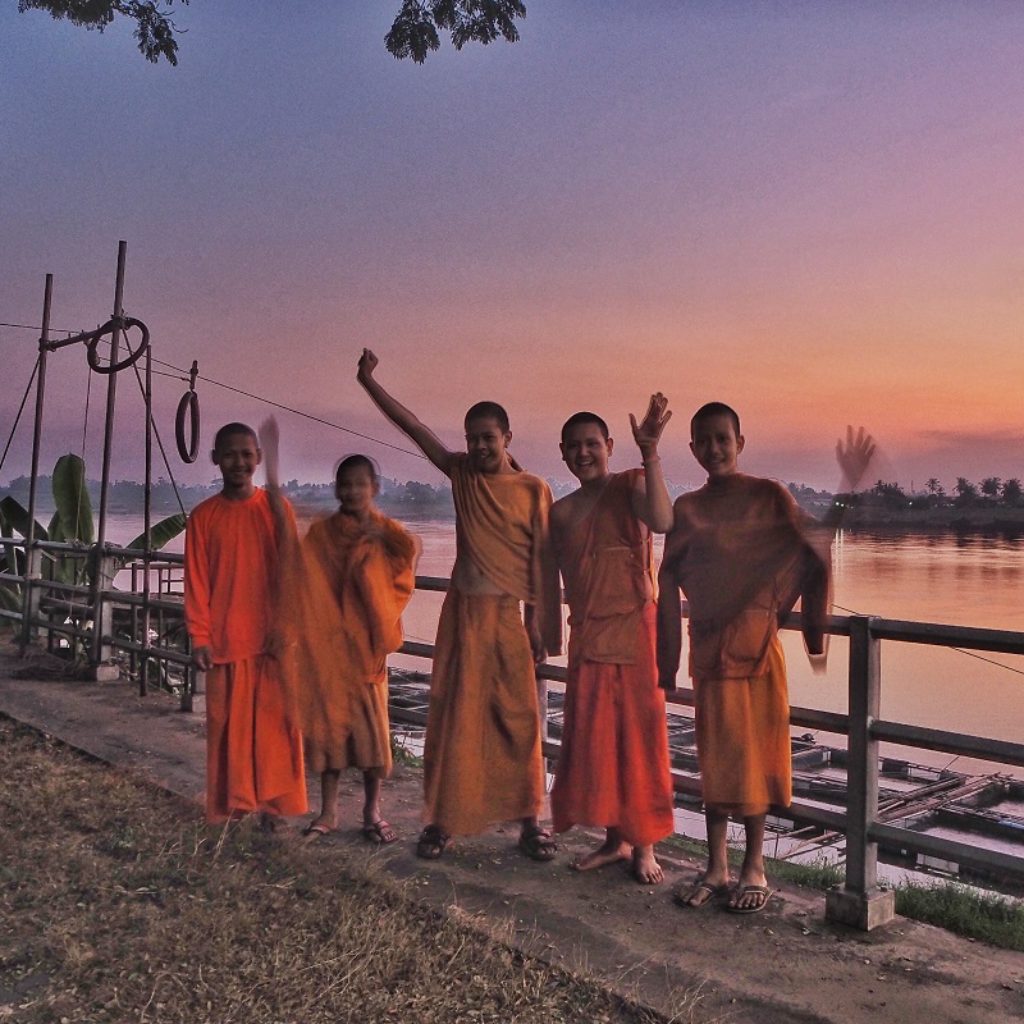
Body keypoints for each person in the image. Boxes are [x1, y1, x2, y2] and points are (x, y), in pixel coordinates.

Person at [658, 406, 873, 913]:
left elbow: (814, 541)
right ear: (692, 449)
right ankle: (716, 865)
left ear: (740, 441)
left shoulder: (768, 496)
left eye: (722, 439)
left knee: (754, 759)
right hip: (709, 651)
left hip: (757, 649)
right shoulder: (686, 509)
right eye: (704, 441)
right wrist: (666, 662)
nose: (714, 449)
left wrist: (847, 484)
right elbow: (668, 579)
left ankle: (754, 864)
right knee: (715, 760)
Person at [356, 349, 561, 860]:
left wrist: (540, 626)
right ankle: (441, 821)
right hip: (463, 614)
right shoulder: (461, 472)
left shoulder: (534, 490)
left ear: (507, 438)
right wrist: (368, 382)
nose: (479, 446)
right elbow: (413, 426)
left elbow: (543, 565)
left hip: (510, 618)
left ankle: (531, 822)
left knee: (518, 718)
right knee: (453, 718)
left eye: (487, 438)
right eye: (471, 438)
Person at [549, 400, 676, 884]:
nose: (584, 453)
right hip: (589, 634)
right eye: (574, 446)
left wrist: (651, 453)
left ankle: (644, 845)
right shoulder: (561, 513)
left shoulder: (631, 486)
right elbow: (562, 577)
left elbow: (663, 521)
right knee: (597, 740)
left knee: (639, 740)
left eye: (592, 444)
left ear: (609, 448)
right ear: (563, 454)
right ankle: (613, 839)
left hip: (636, 634)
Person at [270, 444, 419, 844]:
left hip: (366, 649)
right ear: (337, 489)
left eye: (360, 485)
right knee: (329, 736)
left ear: (374, 487)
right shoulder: (322, 533)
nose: (352, 492)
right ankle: (329, 811)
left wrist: (374, 581)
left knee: (372, 739)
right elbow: (303, 579)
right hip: (329, 650)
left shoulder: (387, 533)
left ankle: (372, 811)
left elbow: (404, 572)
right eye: (345, 485)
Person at [184, 422, 307, 827]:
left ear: (257, 458)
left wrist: (288, 626)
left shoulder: (277, 509)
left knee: (274, 731)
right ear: (215, 459)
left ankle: (274, 807)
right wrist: (199, 636)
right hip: (226, 640)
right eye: (231, 454)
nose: (240, 462)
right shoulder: (203, 516)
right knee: (226, 731)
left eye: (247, 454)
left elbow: (293, 572)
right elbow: (196, 580)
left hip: (272, 641)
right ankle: (232, 806)